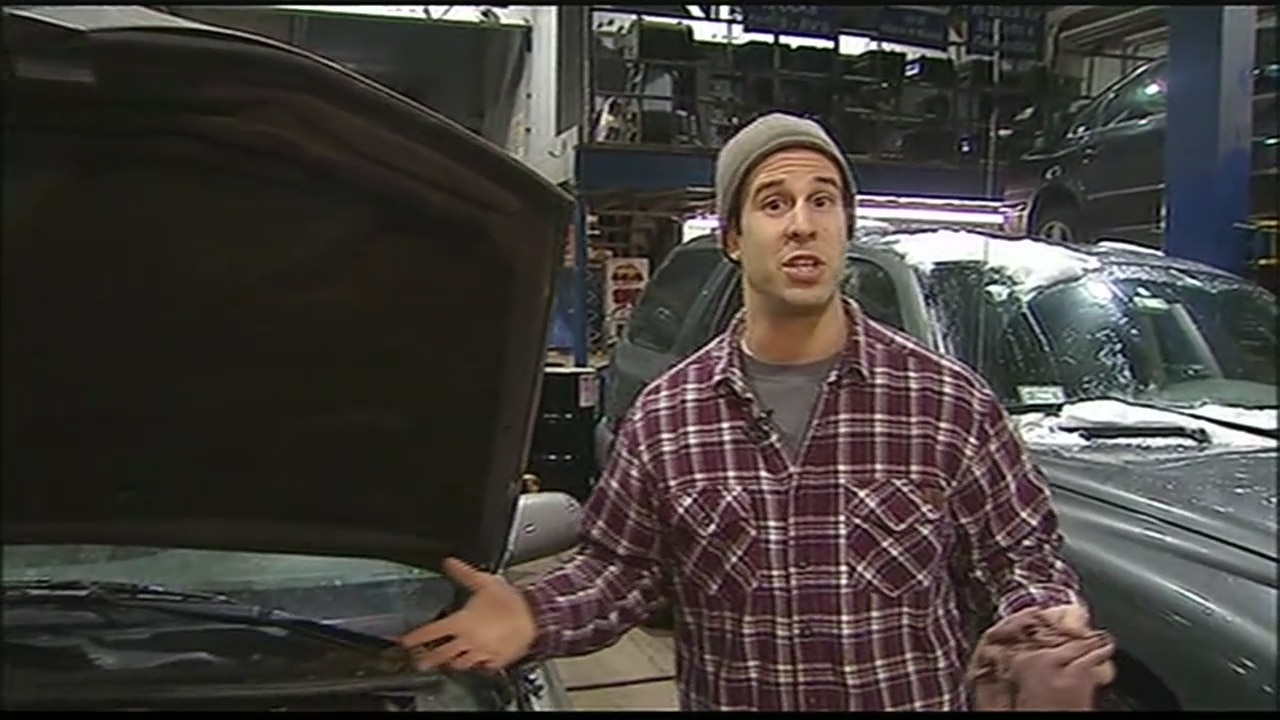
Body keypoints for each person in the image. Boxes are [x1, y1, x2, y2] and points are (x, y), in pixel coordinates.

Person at [399, 112, 1108, 711]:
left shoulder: (946, 404)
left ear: (845, 226)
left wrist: (1041, 627)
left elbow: (1018, 555)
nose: (802, 224)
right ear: (734, 239)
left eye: (822, 201)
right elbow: (620, 570)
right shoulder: (669, 421)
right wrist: (533, 612)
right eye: (774, 203)